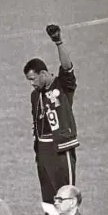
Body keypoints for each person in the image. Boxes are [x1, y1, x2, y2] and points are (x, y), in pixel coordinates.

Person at [24, 24, 79, 204]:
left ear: (43, 73)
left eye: (33, 79)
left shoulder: (62, 85)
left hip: (61, 148)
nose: (31, 84)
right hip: (43, 151)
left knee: (66, 197)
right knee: (48, 201)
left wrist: (58, 42)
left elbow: (67, 67)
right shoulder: (35, 96)